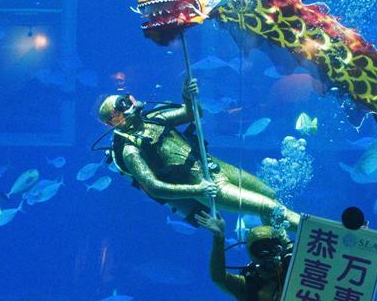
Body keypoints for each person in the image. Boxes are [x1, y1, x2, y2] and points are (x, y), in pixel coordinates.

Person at [97, 78, 299, 228]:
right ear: (114, 120)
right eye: (123, 103)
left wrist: (187, 96)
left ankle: (277, 242)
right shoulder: (130, 150)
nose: (131, 100)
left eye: (127, 98)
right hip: (207, 185)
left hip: (217, 166)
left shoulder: (155, 118)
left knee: (270, 195)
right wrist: (198, 190)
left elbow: (193, 113)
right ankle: (313, 236)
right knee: (270, 207)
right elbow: (154, 187)